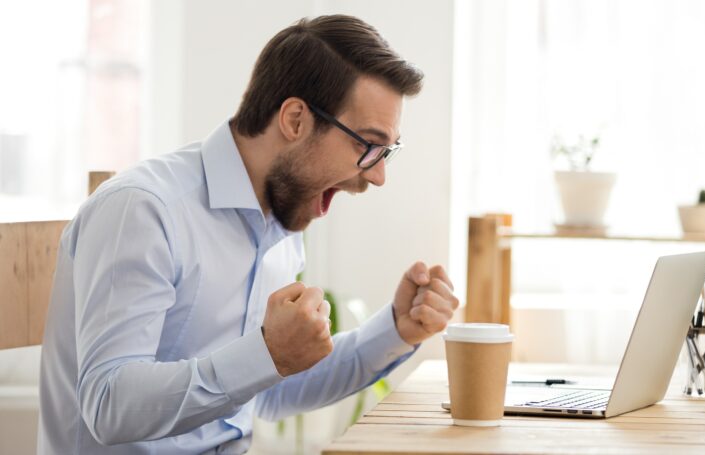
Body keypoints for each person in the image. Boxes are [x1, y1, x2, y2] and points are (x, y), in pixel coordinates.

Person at [38, 14, 459, 454]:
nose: (377, 177)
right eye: (367, 145)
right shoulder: (144, 210)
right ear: (295, 119)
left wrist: (396, 330)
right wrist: (266, 355)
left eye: (387, 151)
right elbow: (108, 404)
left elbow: (268, 390)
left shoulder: (280, 222)